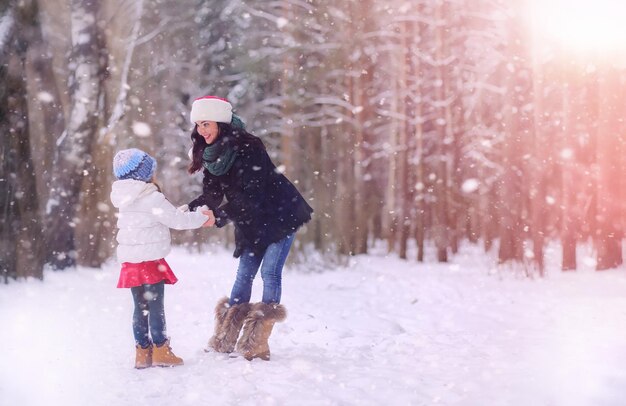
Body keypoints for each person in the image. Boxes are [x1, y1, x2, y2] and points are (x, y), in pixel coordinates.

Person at [187, 96, 313, 361]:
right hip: (250, 219)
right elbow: (211, 196)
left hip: (279, 213)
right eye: (198, 124)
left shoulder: (248, 146)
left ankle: (258, 342)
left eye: (206, 123)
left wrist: (219, 217)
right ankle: (225, 338)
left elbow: (252, 194)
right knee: (244, 275)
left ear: (221, 122)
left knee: (269, 272)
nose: (202, 130)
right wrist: (189, 210)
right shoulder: (211, 156)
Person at [110, 148, 215, 369]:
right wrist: (201, 218)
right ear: (145, 173)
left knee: (140, 308)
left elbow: (161, 216)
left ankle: (142, 353)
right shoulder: (151, 197)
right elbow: (176, 221)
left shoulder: (125, 199)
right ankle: (161, 350)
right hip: (150, 261)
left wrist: (185, 210)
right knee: (156, 307)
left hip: (131, 262)